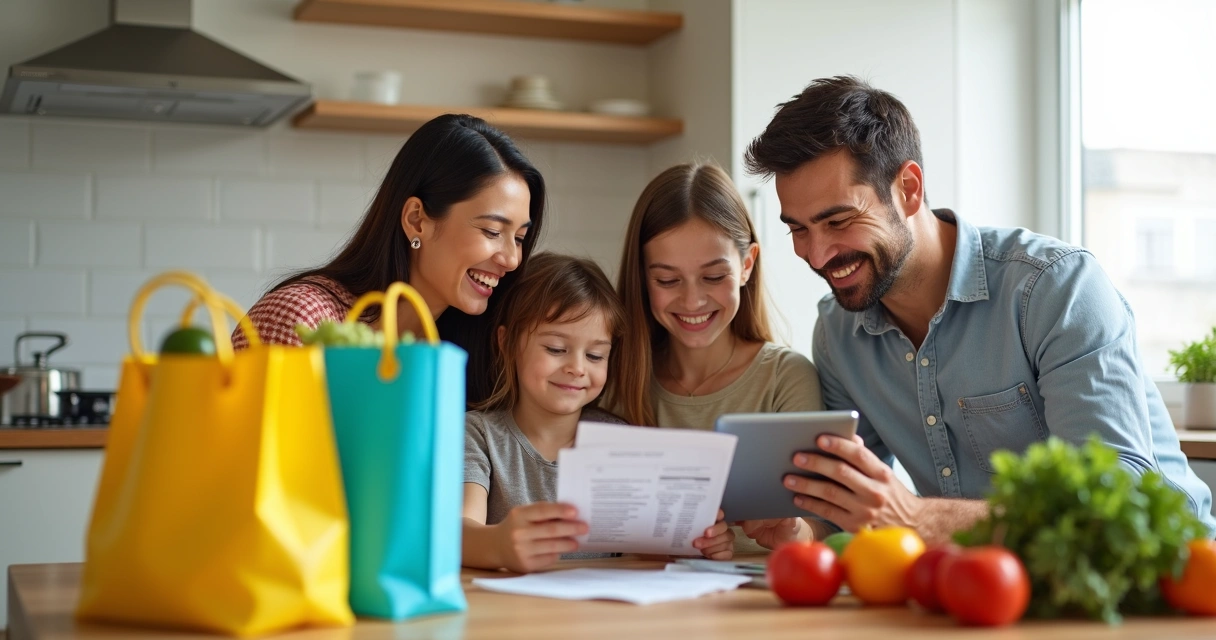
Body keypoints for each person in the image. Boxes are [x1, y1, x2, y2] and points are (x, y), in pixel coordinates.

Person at [743, 75, 1216, 543]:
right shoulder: (837, 333)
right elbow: (852, 505)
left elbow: (1114, 499)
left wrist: (916, 517)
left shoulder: (1055, 288)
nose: (817, 255)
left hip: (1165, 572)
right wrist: (800, 529)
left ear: (908, 189)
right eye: (798, 229)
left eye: (839, 220)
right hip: (986, 581)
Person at [233, 114, 545, 405]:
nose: (512, 259)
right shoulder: (302, 320)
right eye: (492, 231)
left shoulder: (471, 354)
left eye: (519, 238)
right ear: (416, 220)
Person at [462, 253, 735, 573]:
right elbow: (458, 532)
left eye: (594, 355)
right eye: (555, 349)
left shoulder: (620, 441)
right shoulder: (477, 435)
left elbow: (644, 548)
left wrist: (695, 543)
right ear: (506, 342)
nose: (577, 368)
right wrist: (498, 545)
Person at [610, 162, 825, 549]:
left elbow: (821, 527)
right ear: (642, 279)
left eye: (713, 277)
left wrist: (796, 533)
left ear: (746, 264)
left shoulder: (785, 379)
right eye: (667, 280)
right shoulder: (613, 379)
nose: (692, 300)